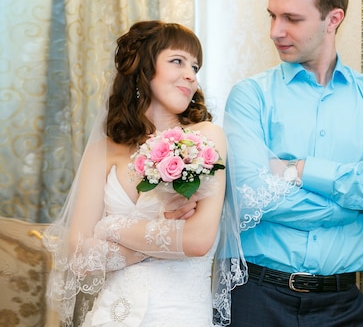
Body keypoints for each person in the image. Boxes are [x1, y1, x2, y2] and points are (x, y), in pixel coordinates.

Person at [223, 0, 363, 327]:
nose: (275, 31)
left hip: (344, 306)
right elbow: (250, 195)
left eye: (292, 19)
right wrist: (359, 195)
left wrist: (298, 170)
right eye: (272, 16)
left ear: (334, 19)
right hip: (258, 300)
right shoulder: (250, 96)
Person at [44, 21, 246, 327]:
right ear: (143, 68)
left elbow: (197, 240)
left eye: (195, 66)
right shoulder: (103, 150)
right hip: (109, 316)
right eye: (177, 61)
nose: (191, 75)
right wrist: (160, 229)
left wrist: (109, 227)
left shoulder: (205, 139)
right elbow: (80, 257)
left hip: (180, 315)